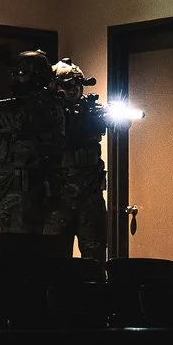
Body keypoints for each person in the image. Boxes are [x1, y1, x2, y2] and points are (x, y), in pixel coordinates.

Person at [0, 49, 65, 234]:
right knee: (11, 247)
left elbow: (15, 121)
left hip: (33, 191)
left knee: (25, 251)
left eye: (21, 74)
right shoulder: (20, 104)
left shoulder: (45, 104)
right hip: (10, 187)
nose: (16, 79)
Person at [47, 59, 113, 260]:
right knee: (56, 260)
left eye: (78, 85)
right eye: (68, 85)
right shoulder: (46, 113)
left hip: (90, 196)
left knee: (95, 258)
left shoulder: (91, 111)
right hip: (58, 199)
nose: (74, 90)